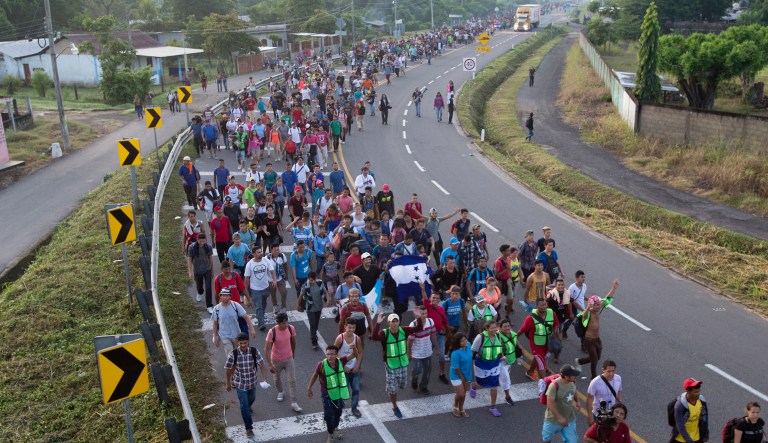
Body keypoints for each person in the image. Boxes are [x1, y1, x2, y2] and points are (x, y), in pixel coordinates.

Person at [371, 311, 424, 419]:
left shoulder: (403, 330)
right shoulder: (384, 333)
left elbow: (418, 328)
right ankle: (395, 406)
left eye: (396, 321)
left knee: (402, 385)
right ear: (389, 323)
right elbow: (374, 337)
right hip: (391, 365)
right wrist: (378, 324)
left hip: (403, 363)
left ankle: (393, 388)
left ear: (399, 322)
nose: (395, 323)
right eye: (392, 322)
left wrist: (419, 318)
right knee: (393, 389)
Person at [307, 344, 358, 443]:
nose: (330, 356)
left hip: (338, 393)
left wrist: (354, 348)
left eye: (332, 354)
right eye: (328, 354)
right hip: (326, 394)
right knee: (328, 415)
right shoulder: (321, 365)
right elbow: (315, 375)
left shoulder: (341, 361)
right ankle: (330, 434)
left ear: (336, 355)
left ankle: (335, 427)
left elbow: (354, 355)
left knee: (338, 413)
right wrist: (309, 387)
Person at [224, 332, 269, 437]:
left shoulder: (254, 351)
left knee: (252, 398)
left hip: (252, 382)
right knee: (244, 406)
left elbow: (262, 365)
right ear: (237, 343)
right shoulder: (233, 354)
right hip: (240, 383)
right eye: (241, 343)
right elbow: (228, 369)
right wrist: (228, 383)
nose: (243, 345)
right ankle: (249, 428)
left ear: (248, 342)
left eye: (245, 343)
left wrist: (264, 379)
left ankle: (248, 408)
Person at [575, 279, 620, 379]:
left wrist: (613, 288)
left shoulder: (597, 309)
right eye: (597, 305)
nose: (599, 306)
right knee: (594, 360)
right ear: (591, 305)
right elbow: (584, 316)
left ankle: (579, 361)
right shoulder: (588, 314)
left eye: (599, 304)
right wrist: (588, 307)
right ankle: (593, 376)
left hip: (597, 339)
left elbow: (606, 298)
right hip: (589, 340)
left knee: (596, 357)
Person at [264, 312, 302, 413]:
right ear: (278, 323)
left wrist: (293, 354)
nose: (286, 325)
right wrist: (270, 364)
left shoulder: (291, 328)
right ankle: (281, 391)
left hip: (288, 358)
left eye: (287, 322)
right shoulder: (272, 332)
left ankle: (294, 402)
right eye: (283, 323)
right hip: (276, 360)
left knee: (292, 380)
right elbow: (267, 349)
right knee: (276, 379)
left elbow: (293, 341)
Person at [518, 297, 560, 381]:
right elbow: (522, 330)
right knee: (541, 365)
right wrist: (514, 338)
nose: (544, 307)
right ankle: (544, 385)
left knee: (539, 359)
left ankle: (530, 372)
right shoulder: (530, 318)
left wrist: (556, 334)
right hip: (536, 344)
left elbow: (556, 324)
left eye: (545, 305)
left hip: (547, 343)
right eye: (541, 305)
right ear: (537, 306)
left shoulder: (552, 313)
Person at [469, 320, 504, 417]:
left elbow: (499, 348)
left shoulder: (498, 335)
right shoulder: (480, 337)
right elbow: (473, 351)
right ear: (487, 328)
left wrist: (502, 357)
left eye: (495, 327)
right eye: (491, 328)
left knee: (494, 385)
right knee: (481, 382)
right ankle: (474, 385)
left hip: (494, 363)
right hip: (482, 364)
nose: (494, 329)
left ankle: (493, 407)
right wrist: (468, 363)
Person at [212, 286, 256, 358]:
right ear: (220, 296)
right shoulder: (216, 309)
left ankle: (238, 368)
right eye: (223, 295)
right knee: (230, 356)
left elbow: (246, 317)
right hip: (225, 336)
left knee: (239, 355)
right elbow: (215, 323)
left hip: (237, 335)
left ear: (230, 296)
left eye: (227, 295)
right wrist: (215, 336)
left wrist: (252, 329)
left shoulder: (236, 305)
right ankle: (233, 368)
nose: (225, 297)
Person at [542, 364, 582, 443]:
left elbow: (574, 390)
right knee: (546, 439)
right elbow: (549, 403)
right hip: (553, 420)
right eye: (573, 375)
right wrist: (560, 418)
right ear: (566, 377)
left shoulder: (572, 381)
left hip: (569, 418)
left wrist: (578, 401)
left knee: (572, 441)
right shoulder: (554, 386)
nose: (575, 377)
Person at [333, 318, 364, 418]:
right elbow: (334, 353)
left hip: (354, 369)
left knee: (356, 389)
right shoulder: (340, 338)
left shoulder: (357, 339)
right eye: (349, 327)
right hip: (343, 370)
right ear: (345, 327)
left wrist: (357, 365)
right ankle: (340, 405)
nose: (351, 329)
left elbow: (360, 352)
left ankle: (354, 408)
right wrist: (343, 366)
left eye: (353, 327)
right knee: (344, 389)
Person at [244, 247, 277, 331]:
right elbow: (247, 278)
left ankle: (261, 316)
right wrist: (246, 290)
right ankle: (261, 323)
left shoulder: (266, 261)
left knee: (264, 304)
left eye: (261, 252)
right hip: (255, 290)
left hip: (265, 288)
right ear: (253, 254)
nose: (261, 253)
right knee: (259, 306)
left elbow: (272, 271)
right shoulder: (250, 264)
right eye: (258, 252)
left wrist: (274, 280)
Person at [408, 302, 438, 395]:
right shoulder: (413, 325)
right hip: (416, 352)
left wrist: (437, 347)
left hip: (427, 351)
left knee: (427, 369)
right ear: (418, 314)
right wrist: (408, 354)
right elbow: (409, 342)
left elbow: (433, 335)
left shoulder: (430, 322)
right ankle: (414, 378)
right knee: (417, 369)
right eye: (422, 313)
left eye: (425, 313)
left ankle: (423, 387)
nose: (424, 315)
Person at [670, 378, 709, 443]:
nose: (698, 394)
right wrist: (689, 441)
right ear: (688, 391)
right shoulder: (680, 405)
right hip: (681, 439)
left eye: (699, 391)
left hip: (697, 438)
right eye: (695, 392)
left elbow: (705, 419)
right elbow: (680, 426)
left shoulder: (701, 401)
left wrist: (706, 434)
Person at [586, 360, 623, 426]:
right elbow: (589, 400)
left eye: (613, 371)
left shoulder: (618, 378)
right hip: (599, 415)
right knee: (597, 435)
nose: (611, 374)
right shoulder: (595, 382)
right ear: (603, 370)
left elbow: (619, 390)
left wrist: (619, 401)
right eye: (608, 371)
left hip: (612, 414)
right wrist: (590, 417)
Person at [297, 272, 326, 349]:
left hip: (319, 307)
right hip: (310, 308)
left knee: (316, 324)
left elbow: (324, 291)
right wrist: (298, 305)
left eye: (314, 280)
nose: (312, 282)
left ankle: (314, 334)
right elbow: (301, 295)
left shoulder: (320, 283)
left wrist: (328, 299)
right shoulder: (305, 286)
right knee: (312, 324)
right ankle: (313, 340)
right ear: (308, 278)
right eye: (311, 280)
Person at [188, 234, 215, 313]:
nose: (202, 243)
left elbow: (211, 259)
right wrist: (190, 271)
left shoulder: (208, 247)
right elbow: (189, 260)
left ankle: (209, 305)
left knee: (208, 288)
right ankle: (200, 292)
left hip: (207, 270)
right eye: (200, 241)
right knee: (199, 286)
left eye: (204, 241)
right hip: (197, 271)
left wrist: (212, 270)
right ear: (197, 240)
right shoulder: (192, 247)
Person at [498, 319, 521, 406]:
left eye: (508, 326)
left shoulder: (514, 335)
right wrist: (503, 357)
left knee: (505, 376)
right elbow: (499, 350)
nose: (507, 328)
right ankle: (507, 396)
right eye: (505, 326)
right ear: (500, 329)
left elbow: (516, 343)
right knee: (507, 380)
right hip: (502, 363)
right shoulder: (498, 338)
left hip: (510, 361)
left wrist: (520, 351)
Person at [449, 332, 472, 417]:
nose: (465, 342)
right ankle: (455, 406)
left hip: (467, 373)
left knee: (464, 393)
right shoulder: (455, 353)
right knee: (461, 394)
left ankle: (461, 408)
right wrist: (462, 377)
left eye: (465, 339)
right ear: (457, 343)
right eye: (462, 341)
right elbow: (455, 367)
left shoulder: (469, 344)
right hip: (456, 376)